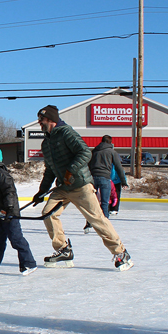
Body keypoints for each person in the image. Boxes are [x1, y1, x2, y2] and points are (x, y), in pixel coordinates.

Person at [33, 105, 133, 271]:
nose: (39, 123)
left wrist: (71, 170)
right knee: (48, 213)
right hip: (63, 187)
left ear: (50, 120)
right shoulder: (46, 143)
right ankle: (63, 250)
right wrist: (41, 191)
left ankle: (121, 253)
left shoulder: (66, 132)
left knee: (97, 220)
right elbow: (50, 169)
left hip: (80, 184)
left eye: (41, 120)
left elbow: (85, 152)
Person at [0, 144, 37, 275]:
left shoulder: (1, 174)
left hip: (9, 214)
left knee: (16, 239)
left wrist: (9, 209)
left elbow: (9, 191)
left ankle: (28, 263)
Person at [83, 135, 128, 232]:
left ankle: (89, 223)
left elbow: (88, 165)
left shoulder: (94, 151)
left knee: (92, 202)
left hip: (93, 178)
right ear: (110, 142)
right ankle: (105, 225)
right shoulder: (112, 152)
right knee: (105, 202)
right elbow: (118, 167)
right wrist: (123, 181)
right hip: (105, 178)